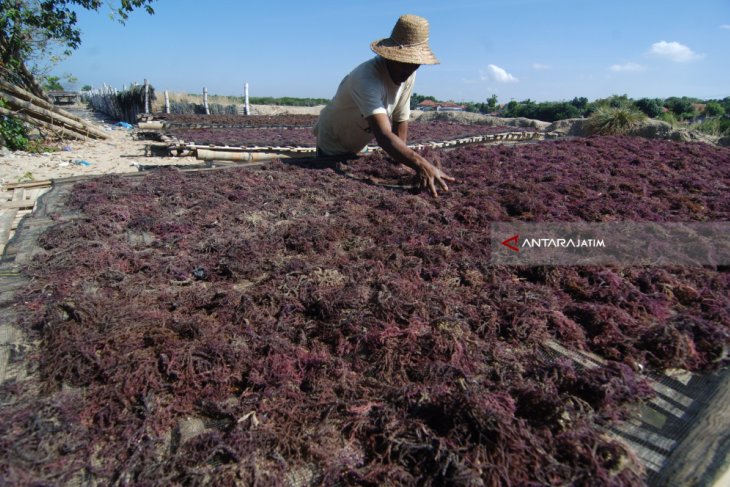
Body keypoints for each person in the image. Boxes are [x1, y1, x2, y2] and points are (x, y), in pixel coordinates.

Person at [314, 14, 455, 197]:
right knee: (337, 190)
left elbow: (400, 120)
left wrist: (403, 165)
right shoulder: (367, 78)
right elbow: (383, 135)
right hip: (334, 142)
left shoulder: (408, 74)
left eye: (415, 64)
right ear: (390, 56)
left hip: (359, 142)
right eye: (405, 62)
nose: (410, 69)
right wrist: (421, 164)